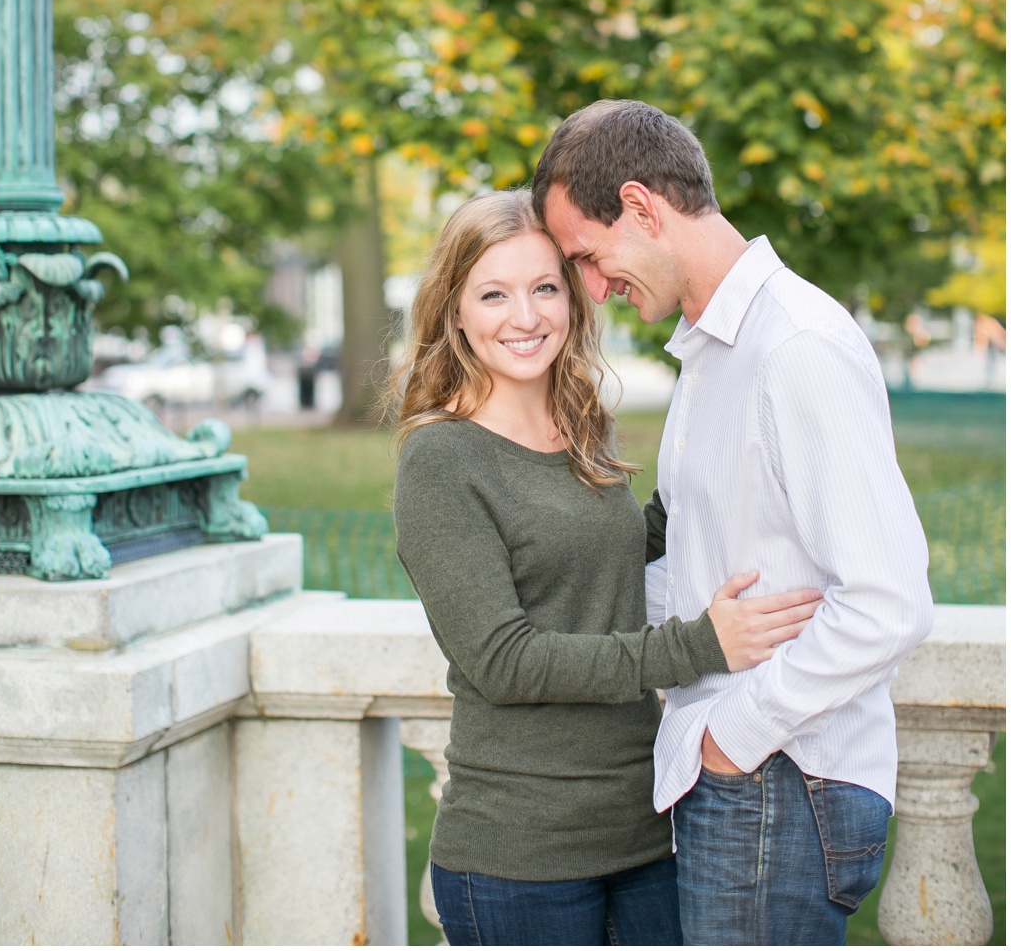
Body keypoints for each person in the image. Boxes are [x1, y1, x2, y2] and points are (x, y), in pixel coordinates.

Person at [533, 99, 935, 946]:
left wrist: (730, 738)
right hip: (747, 780)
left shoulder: (795, 348)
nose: (593, 287)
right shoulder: (717, 349)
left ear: (642, 207)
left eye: (588, 256)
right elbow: (695, 563)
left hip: (778, 776)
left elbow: (889, 602)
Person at [392, 189, 825, 947]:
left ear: (573, 297)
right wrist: (698, 646)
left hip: (643, 831)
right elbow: (505, 659)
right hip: (520, 856)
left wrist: (745, 450)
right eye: (493, 293)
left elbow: (638, 543)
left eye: (544, 288)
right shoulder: (441, 459)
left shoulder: (584, 425)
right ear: (454, 310)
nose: (525, 316)